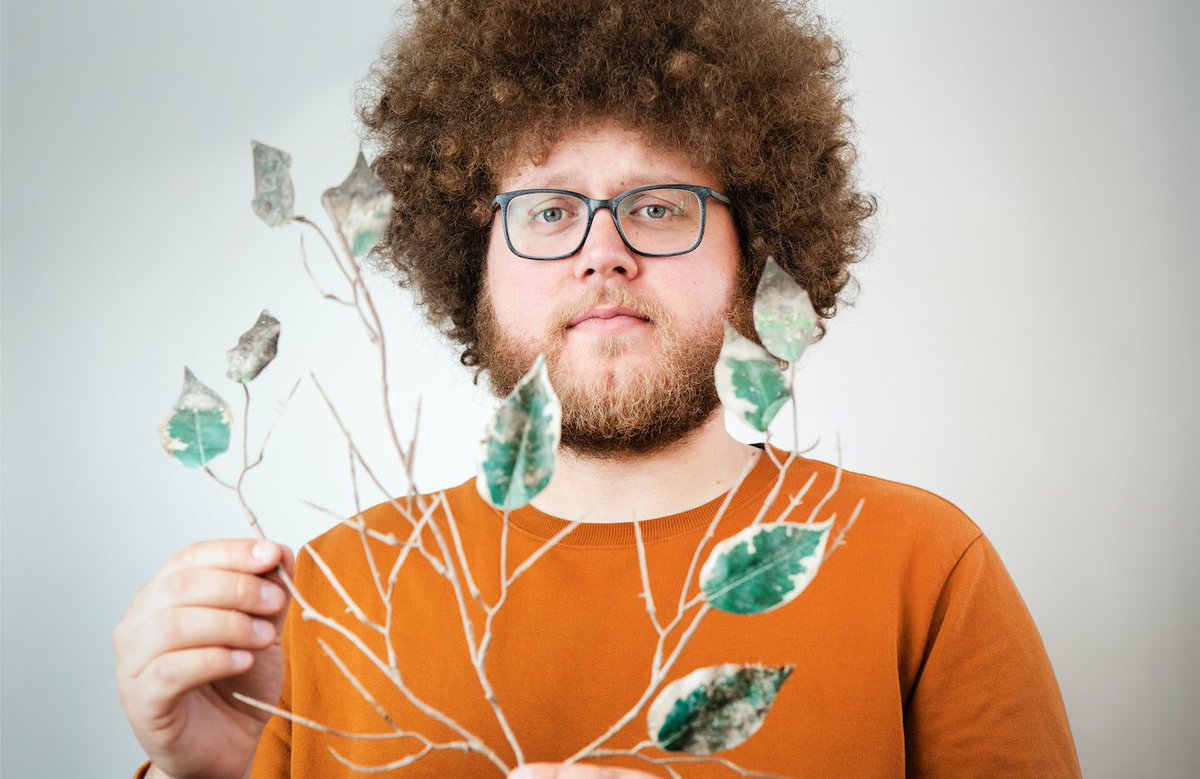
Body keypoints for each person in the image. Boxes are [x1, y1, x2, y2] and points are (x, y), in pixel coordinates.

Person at [114, 0, 1082, 776]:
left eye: (661, 206)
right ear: (471, 258)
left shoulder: (924, 569)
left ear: (759, 254)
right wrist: (210, 772)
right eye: (548, 209)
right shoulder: (331, 597)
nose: (603, 254)